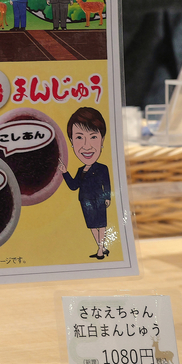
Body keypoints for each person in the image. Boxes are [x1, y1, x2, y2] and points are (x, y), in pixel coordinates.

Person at [58, 107, 113, 259]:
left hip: (99, 200)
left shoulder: (103, 168)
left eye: (93, 137)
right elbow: (74, 186)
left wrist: (108, 197)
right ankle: (101, 246)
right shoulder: (81, 170)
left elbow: (107, 184)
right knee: (92, 226)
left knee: (101, 224)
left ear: (102, 139)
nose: (87, 146)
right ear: (71, 142)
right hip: (85, 201)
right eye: (79, 137)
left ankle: (100, 250)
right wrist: (64, 171)